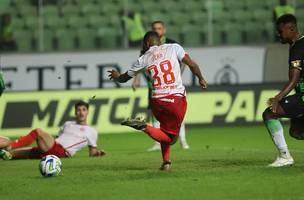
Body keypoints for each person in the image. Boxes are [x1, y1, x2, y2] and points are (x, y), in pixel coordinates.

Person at [108, 31, 207, 170]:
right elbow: (191, 64)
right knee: (171, 139)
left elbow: (124, 78)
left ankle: (166, 162)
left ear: (147, 43)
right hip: (175, 99)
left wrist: (117, 76)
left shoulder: (144, 58)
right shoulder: (174, 47)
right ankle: (144, 126)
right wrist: (200, 78)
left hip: (157, 102)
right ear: (158, 40)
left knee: (164, 130)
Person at [132, 21, 190, 151]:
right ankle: (157, 143)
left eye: (159, 28)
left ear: (164, 29)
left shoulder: (172, 43)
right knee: (156, 114)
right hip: (155, 85)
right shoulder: (145, 48)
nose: (157, 30)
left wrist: (178, 74)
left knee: (177, 116)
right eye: (154, 28)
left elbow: (184, 61)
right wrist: (137, 79)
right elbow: (140, 65)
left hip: (171, 86)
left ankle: (183, 140)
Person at [263, 14, 304, 167]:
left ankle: (285, 157)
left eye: (280, 31)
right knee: (296, 132)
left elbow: (294, 79)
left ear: (291, 29)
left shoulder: (298, 48)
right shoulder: (298, 45)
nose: (278, 34)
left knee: (269, 113)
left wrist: (277, 98)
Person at [0, 100, 106, 160]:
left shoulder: (91, 131)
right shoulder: (67, 124)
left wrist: (98, 154)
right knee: (9, 155)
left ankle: (11, 145)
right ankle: (8, 149)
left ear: (87, 112)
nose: (81, 112)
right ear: (75, 112)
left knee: (37, 132)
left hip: (61, 152)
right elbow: (58, 138)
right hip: (52, 147)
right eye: (78, 110)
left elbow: (92, 153)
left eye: (84, 110)